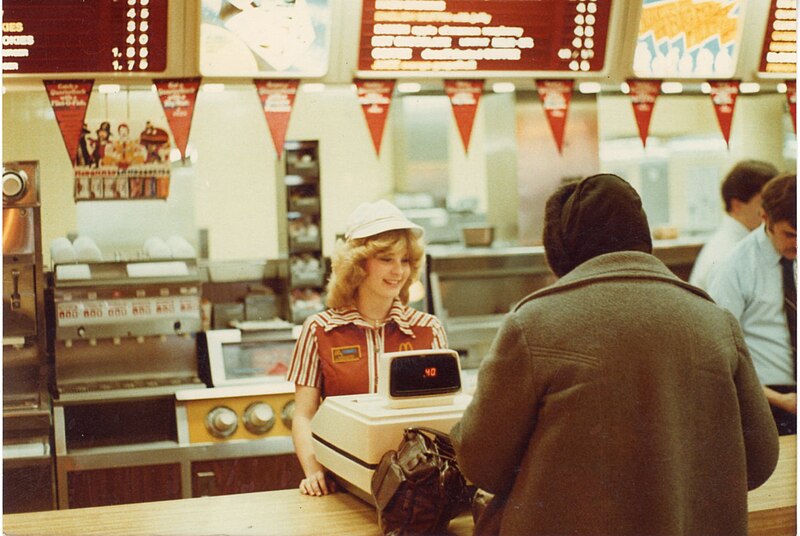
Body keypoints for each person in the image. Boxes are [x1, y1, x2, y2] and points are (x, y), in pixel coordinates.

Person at [451, 173, 779, 536]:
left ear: (559, 249)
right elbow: (760, 460)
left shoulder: (532, 324)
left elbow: (480, 463)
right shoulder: (715, 321)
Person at [286, 199, 448, 497]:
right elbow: (304, 415)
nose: (398, 271)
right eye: (386, 259)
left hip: (415, 493)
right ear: (359, 264)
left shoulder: (428, 330)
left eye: (405, 260)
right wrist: (313, 471)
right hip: (341, 488)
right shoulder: (320, 330)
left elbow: (442, 417)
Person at [708, 173, 797, 435]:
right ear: (765, 218)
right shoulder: (733, 267)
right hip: (766, 398)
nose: (798, 243)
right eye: (790, 234)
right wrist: (782, 400)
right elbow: (719, 354)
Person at [689, 160, 778, 290]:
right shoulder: (727, 254)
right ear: (737, 206)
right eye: (766, 203)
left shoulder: (747, 243)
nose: (774, 211)